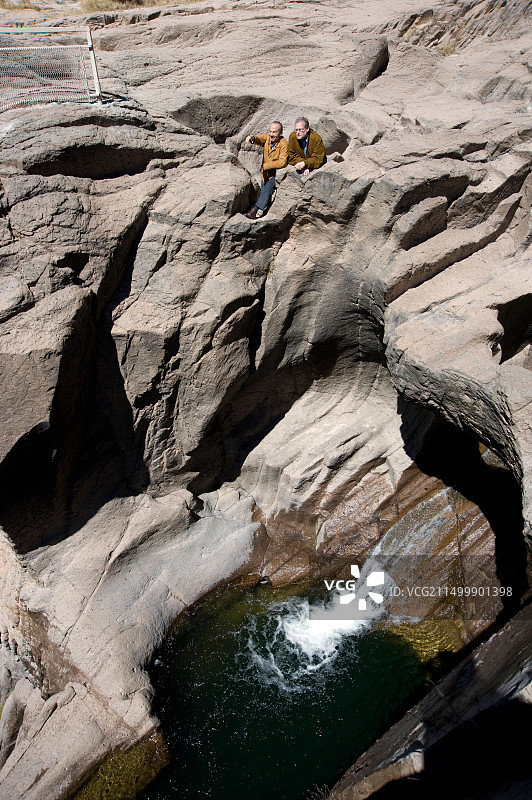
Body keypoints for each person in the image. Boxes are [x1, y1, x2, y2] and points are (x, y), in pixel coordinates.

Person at [244, 121, 288, 219]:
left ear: (280, 133)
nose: (271, 134)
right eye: (270, 131)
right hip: (265, 173)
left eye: (274, 132)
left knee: (268, 190)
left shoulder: (283, 143)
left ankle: (253, 211)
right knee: (265, 191)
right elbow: (259, 139)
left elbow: (282, 162)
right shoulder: (268, 138)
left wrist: (267, 166)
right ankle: (261, 208)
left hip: (274, 173)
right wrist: (252, 138)